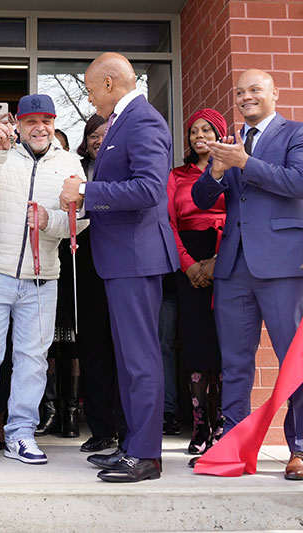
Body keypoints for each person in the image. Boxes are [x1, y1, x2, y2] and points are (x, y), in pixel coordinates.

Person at [61, 52, 179, 482]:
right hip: (122, 258)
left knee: (141, 359)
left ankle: (145, 454)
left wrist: (87, 191)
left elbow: (149, 189)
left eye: (91, 90)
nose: (90, 99)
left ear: (110, 84)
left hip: (135, 256)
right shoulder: (125, 123)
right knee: (130, 358)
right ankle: (133, 445)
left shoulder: (143, 121)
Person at [0, 94, 86, 466]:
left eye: (47, 120)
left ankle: (20, 434)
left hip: (42, 276)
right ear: (18, 122)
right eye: (32, 121)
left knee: (33, 359)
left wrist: (52, 221)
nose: (40, 127)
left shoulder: (69, 162)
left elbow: (81, 221)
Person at [191, 69, 303, 481]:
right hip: (233, 265)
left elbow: (299, 183)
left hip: (282, 264)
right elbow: (203, 198)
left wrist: (246, 162)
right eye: (240, 92)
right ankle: (233, 449)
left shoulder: (295, 134)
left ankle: (300, 449)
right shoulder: (230, 143)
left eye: (255, 90)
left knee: (295, 361)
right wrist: (218, 170)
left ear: (275, 93)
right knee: (235, 363)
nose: (245, 97)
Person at [59, 114, 127, 453]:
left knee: (125, 351)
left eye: (105, 134)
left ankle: (129, 429)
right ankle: (101, 429)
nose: (99, 140)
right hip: (84, 264)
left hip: (122, 263)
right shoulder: (75, 167)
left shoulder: (124, 164)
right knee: (93, 349)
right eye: (93, 135)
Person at [168, 108, 227, 456]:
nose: (199, 136)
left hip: (225, 259)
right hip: (187, 264)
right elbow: (169, 223)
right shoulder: (176, 175)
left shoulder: (231, 170)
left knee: (223, 345)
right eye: (193, 131)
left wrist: (216, 263)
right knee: (195, 345)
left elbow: (237, 215)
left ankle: (221, 424)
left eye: (207, 130)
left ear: (219, 135)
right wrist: (189, 265)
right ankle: (199, 423)